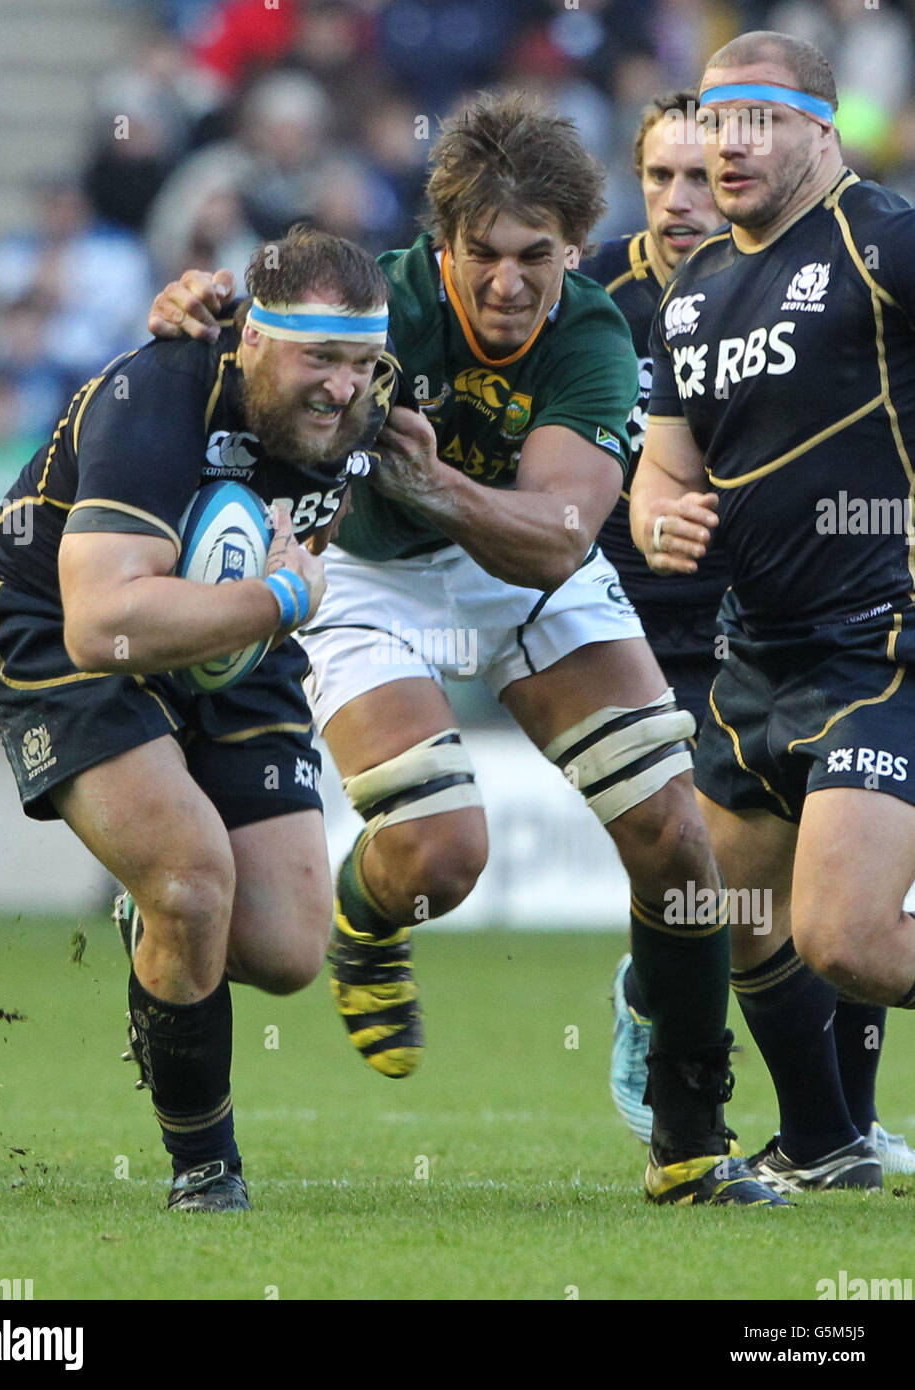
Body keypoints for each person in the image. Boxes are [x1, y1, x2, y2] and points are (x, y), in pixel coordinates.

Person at [151, 94, 785, 1206]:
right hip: (363, 571)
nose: (506, 283)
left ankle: (689, 1140)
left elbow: (555, 540)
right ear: (436, 244)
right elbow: (241, 347)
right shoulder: (375, 305)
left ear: (572, 250)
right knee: (443, 857)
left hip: (519, 554)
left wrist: (435, 482)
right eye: (479, 254)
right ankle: (364, 915)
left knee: (674, 834)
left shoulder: (591, 331)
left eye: (533, 256)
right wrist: (196, 308)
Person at [0, 226, 398, 1212]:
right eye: (317, 359)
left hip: (233, 636)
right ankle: (205, 1170)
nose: (342, 387)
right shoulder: (154, 394)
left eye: (361, 363)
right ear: (250, 340)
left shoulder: (375, 400)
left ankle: (150, 915)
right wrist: (284, 601)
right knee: (193, 882)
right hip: (62, 632)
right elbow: (103, 621)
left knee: (286, 949)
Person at [585, 90, 915, 1181]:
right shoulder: (633, 293)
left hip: (863, 637)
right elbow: (658, 472)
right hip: (721, 642)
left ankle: (840, 1123)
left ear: (808, 137)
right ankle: (824, 1136)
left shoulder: (866, 244)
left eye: (715, 159)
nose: (688, 192)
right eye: (664, 175)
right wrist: (649, 511)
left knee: (843, 930)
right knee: (719, 911)